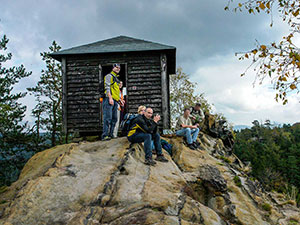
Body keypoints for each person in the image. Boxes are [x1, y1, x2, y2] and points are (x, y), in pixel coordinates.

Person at [102, 63, 121, 141]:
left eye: (119, 68)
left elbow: (116, 91)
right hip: (109, 100)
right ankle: (105, 135)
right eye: (116, 67)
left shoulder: (116, 79)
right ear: (112, 68)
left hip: (115, 101)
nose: (118, 69)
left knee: (114, 118)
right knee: (107, 118)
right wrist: (110, 98)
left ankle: (111, 134)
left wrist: (119, 100)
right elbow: (107, 88)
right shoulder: (108, 76)